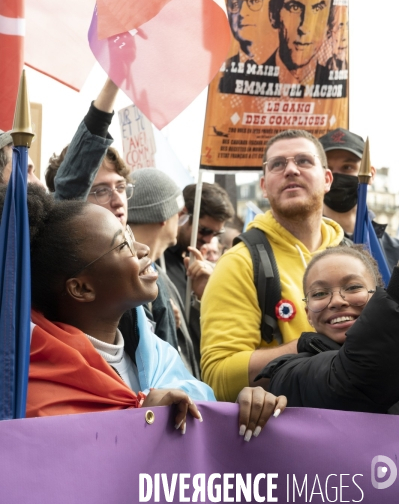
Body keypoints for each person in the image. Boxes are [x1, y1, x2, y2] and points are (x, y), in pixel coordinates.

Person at [0, 185, 286, 438]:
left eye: (129, 233)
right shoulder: (29, 390)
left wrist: (245, 407)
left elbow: (206, 428)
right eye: (122, 245)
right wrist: (139, 426)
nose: (143, 248)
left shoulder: (156, 354)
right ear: (82, 289)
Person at [201, 129, 343, 402]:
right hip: (283, 437)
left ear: (327, 179)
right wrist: (302, 348)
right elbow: (217, 378)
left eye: (304, 160)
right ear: (264, 186)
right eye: (278, 164)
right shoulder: (240, 263)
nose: (291, 169)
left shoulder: (355, 258)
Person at [256, 245, 399, 414]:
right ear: (308, 314)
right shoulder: (287, 372)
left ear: (378, 297)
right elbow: (353, 377)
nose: (337, 301)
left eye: (353, 287)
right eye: (319, 293)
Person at [127, 168, 199, 378]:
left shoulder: (156, 272)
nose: (181, 220)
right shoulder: (132, 275)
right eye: (180, 214)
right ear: (164, 216)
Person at [163, 182, 235, 366]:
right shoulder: (157, 261)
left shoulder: (198, 264)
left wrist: (205, 295)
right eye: (205, 230)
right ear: (183, 215)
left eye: (216, 233)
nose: (209, 239)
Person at [266, 0, 345, 97]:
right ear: (273, 14)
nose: (305, 26)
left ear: (331, 17)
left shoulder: (338, 89)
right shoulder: (236, 81)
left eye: (318, 8)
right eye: (295, 7)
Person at [320, 127, 399, 271]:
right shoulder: (305, 245)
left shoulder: (394, 251)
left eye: (347, 167)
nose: (335, 176)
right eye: (327, 168)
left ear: (371, 174)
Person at [219, 0, 274, 94]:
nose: (242, 13)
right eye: (234, 3)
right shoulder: (217, 74)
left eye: (254, 1)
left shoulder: (292, 74)